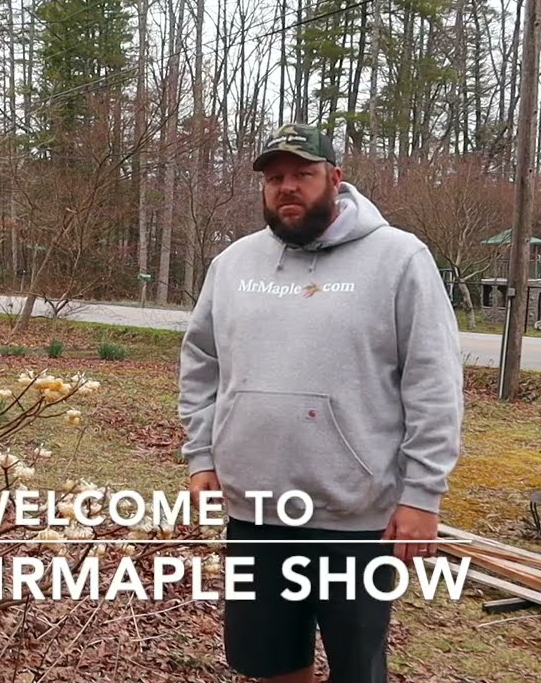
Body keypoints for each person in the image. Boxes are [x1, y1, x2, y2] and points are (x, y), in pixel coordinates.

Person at [177, 123, 463, 683]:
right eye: (275, 177)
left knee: (357, 668)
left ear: (334, 179)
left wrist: (423, 493)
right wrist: (202, 455)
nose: (287, 187)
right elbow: (200, 363)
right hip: (255, 508)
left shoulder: (400, 258)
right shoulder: (233, 265)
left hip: (356, 513)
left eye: (302, 175)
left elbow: (433, 382)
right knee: (273, 660)